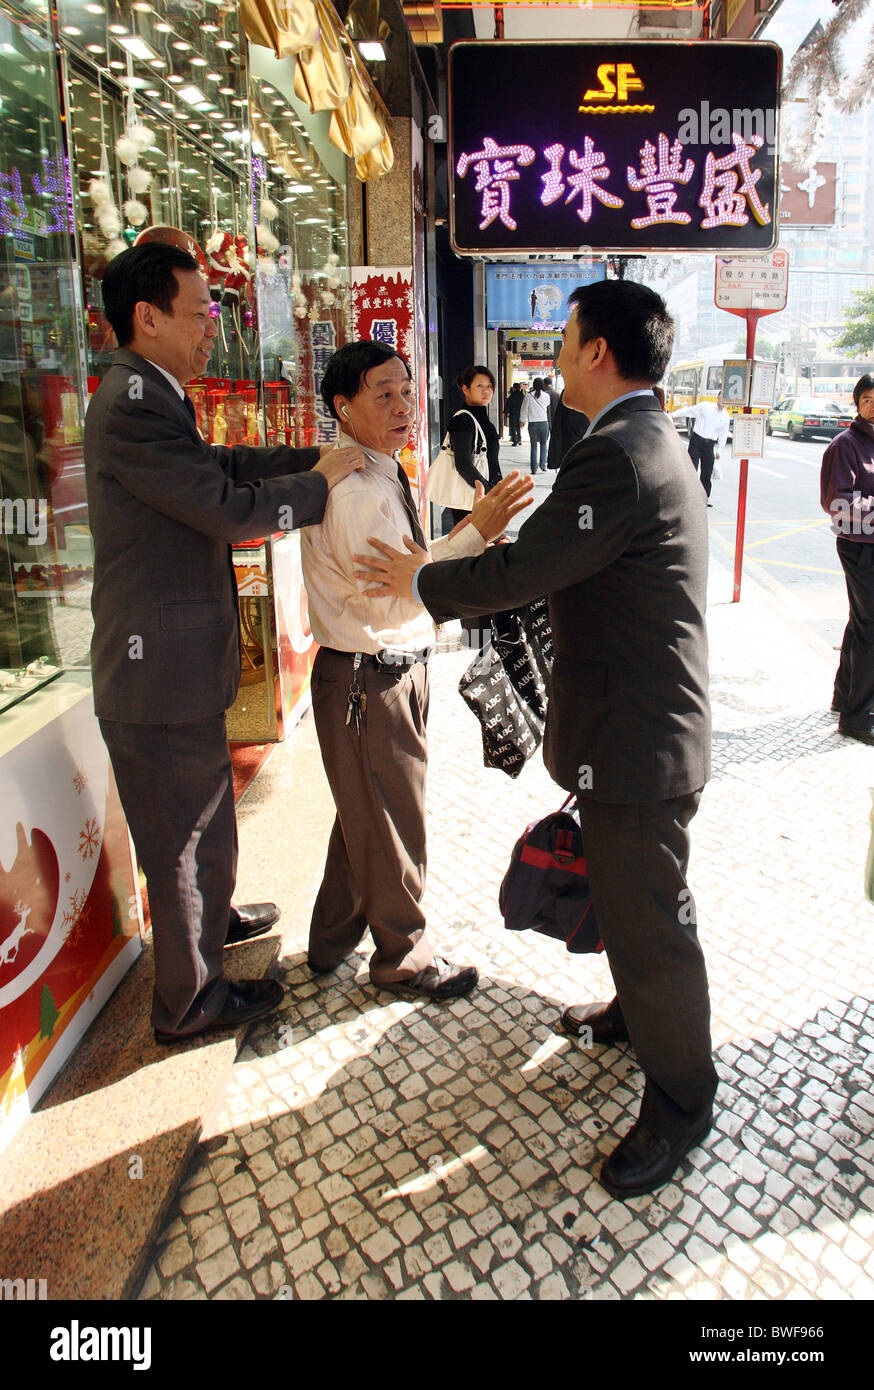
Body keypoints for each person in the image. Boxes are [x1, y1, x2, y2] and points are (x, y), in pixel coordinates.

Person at [356, 280, 717, 1199]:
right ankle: (637, 1019)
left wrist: (427, 576)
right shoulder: (638, 439)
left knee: (654, 922)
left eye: (566, 334)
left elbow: (524, 570)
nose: (556, 348)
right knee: (636, 904)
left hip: (638, 739)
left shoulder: (617, 457)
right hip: (636, 726)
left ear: (599, 352)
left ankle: (683, 1101)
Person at [84, 242, 365, 1044]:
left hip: (176, 668)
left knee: (205, 814)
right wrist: (320, 488)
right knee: (179, 840)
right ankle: (189, 1001)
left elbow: (222, 461)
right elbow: (222, 504)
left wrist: (311, 457)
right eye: (201, 311)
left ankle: (213, 923)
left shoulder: (152, 392)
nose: (214, 327)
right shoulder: (132, 402)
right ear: (148, 316)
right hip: (154, 675)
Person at [300, 340, 532, 1000]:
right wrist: (477, 533)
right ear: (343, 408)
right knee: (392, 820)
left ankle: (329, 940)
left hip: (383, 670)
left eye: (407, 390)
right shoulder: (355, 495)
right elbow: (398, 589)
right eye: (385, 394)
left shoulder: (375, 471)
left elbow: (405, 571)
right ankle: (403, 957)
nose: (405, 405)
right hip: (370, 678)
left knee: (364, 815)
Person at [820, 372, 874, 744]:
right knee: (871, 630)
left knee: (862, 624)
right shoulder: (845, 444)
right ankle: (858, 716)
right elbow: (836, 503)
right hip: (860, 547)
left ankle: (844, 698)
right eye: (868, 398)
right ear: (857, 402)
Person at [443, 365, 503, 531]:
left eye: (489, 386)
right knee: (472, 547)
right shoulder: (463, 420)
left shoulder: (483, 419)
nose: (486, 391)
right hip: (471, 497)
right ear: (466, 389)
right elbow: (463, 464)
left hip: (484, 493)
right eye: (479, 386)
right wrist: (488, 490)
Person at [670, 393, 731, 505]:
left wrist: (719, 450)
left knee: (706, 473)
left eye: (725, 398)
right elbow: (688, 411)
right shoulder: (706, 406)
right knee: (692, 469)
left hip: (709, 445)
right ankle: (688, 495)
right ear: (717, 397)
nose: (722, 400)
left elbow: (723, 434)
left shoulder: (726, 416)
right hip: (696, 441)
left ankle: (705, 497)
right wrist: (672, 415)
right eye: (721, 397)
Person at [546, 390, 588, 471]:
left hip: (570, 442)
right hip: (584, 439)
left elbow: (559, 422)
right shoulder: (596, 390)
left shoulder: (569, 390)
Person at [520, 377, 550, 474]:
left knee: (533, 446)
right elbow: (547, 405)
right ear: (542, 385)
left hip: (533, 423)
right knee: (544, 444)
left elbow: (523, 409)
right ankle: (543, 465)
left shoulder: (528, 396)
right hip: (544, 422)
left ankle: (534, 469)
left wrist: (522, 420)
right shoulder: (546, 395)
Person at [505, 381, 524, 446]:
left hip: (513, 414)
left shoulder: (512, 396)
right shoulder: (522, 395)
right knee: (518, 427)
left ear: (514, 388)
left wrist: (506, 412)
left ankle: (514, 441)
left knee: (513, 427)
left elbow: (508, 404)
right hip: (520, 414)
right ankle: (519, 440)